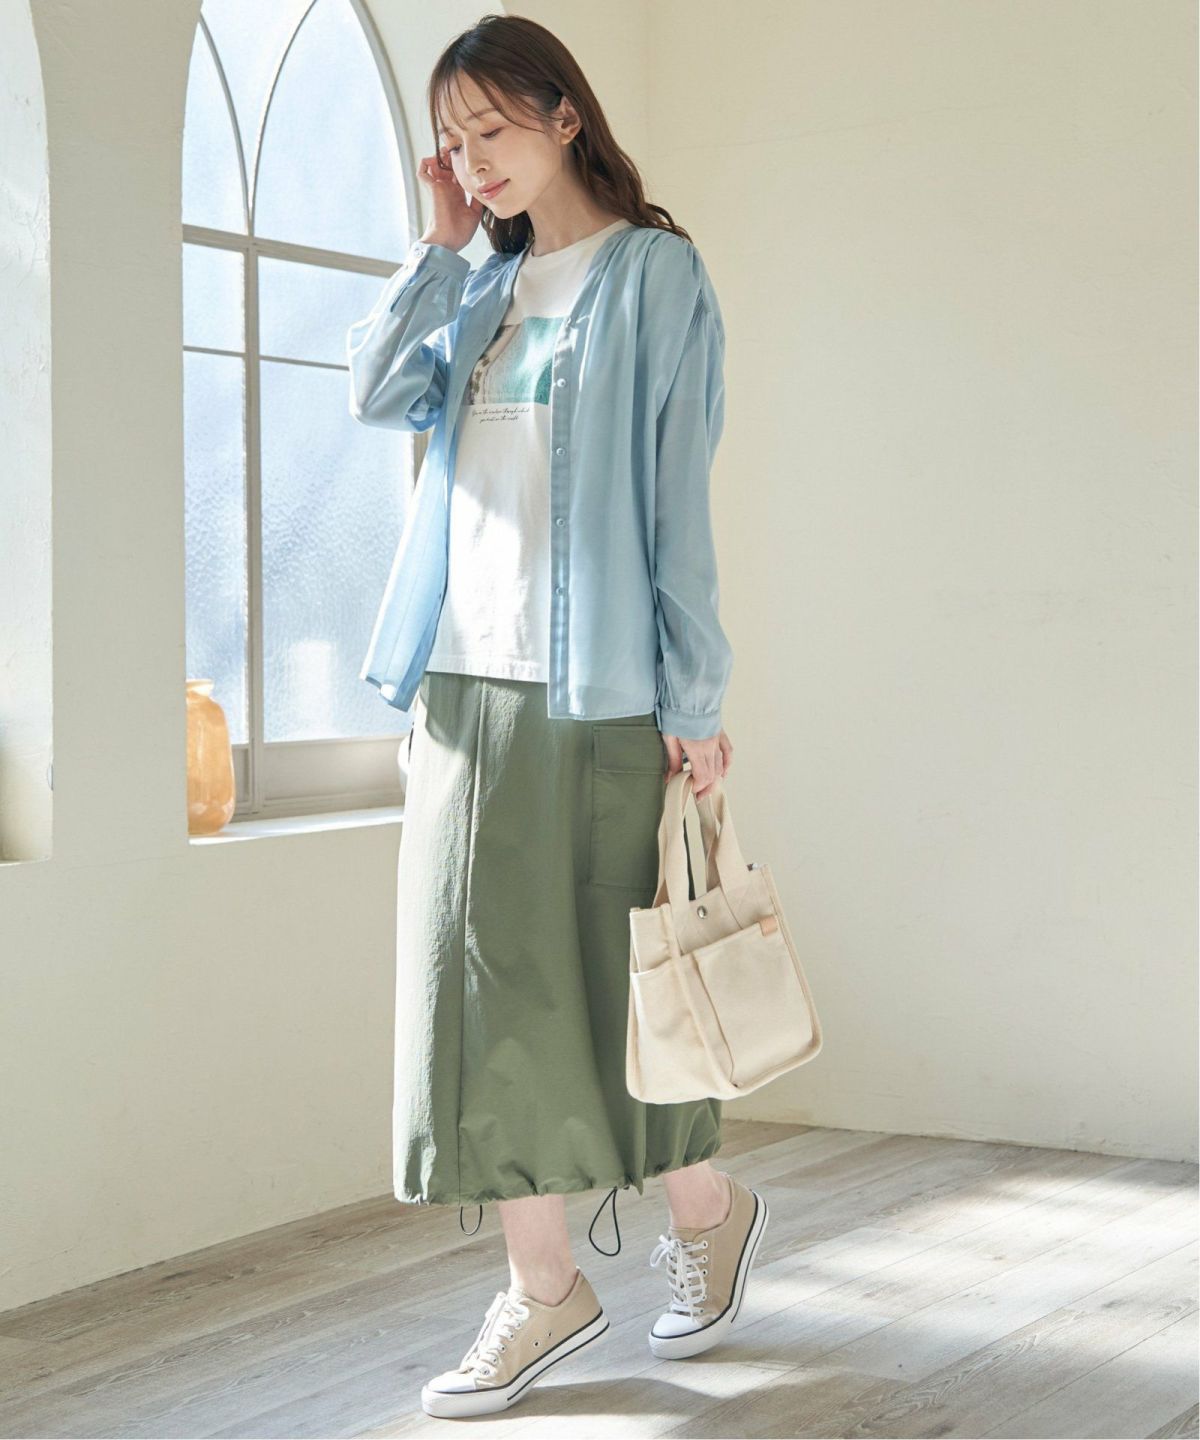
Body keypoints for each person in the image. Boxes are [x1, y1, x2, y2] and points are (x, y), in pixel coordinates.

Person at [346, 14, 767, 1419]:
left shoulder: (654, 277)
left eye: (491, 132)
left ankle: (706, 1210)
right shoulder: (479, 286)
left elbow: (676, 501)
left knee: (615, 992)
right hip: (462, 691)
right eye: (452, 142)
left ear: (564, 116)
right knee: (472, 1000)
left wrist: (695, 700)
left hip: (599, 692)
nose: (474, 162)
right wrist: (439, 243)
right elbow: (374, 393)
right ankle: (547, 1289)